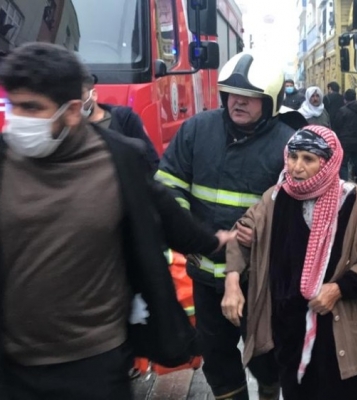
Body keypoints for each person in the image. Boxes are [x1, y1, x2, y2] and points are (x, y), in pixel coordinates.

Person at [0, 42, 234, 400]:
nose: (19, 119)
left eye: (32, 108)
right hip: (13, 367)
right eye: (13, 105)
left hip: (96, 362)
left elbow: (167, 215)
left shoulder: (118, 159)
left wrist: (215, 242)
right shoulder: (5, 161)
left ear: (72, 111)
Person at [155, 52, 304, 400]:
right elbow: (167, 186)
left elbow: (302, 212)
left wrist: (265, 234)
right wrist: (189, 232)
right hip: (206, 276)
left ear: (270, 102)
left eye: (250, 96)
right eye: (232, 93)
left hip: (261, 281)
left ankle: (269, 387)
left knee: (266, 355)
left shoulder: (288, 145)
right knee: (217, 358)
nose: (238, 101)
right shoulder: (197, 130)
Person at [221, 126, 357, 400]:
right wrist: (232, 282)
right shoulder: (275, 197)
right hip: (289, 329)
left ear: (328, 162)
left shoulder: (351, 201)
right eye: (293, 156)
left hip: (337, 326)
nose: (296, 167)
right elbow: (240, 235)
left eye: (308, 159)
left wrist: (339, 289)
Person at [80, 73, 159, 171]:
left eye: (79, 96)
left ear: (93, 94)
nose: (75, 104)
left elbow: (151, 161)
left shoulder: (125, 119)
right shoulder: (69, 130)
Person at [332, 89, 357, 194]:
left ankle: (345, 189)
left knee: (343, 165)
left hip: (345, 143)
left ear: (345, 99)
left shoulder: (342, 111)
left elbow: (336, 126)